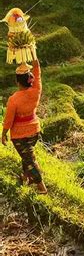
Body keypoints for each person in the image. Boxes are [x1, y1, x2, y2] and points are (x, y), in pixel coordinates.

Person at [1, 60, 47, 194]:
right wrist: (34, 59)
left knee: (30, 160)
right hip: (34, 132)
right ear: (29, 80)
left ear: (17, 82)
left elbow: (8, 119)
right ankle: (26, 177)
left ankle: (42, 188)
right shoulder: (36, 90)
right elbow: (38, 72)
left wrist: (3, 133)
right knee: (26, 157)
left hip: (20, 136)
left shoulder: (14, 99)